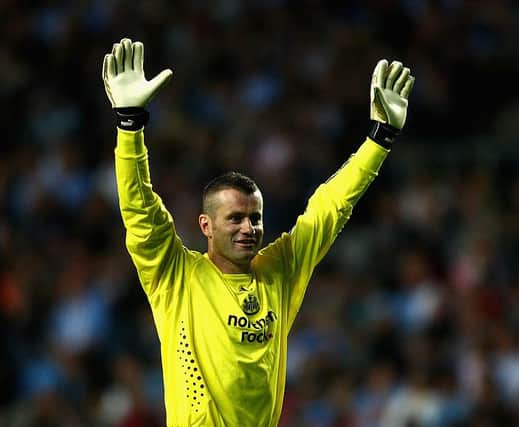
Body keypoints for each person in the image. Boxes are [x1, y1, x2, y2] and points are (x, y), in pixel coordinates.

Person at [102, 37, 414, 427]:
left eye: (255, 218)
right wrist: (129, 126)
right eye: (235, 218)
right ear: (206, 226)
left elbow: (330, 207)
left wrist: (379, 140)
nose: (249, 228)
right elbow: (139, 209)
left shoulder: (279, 271)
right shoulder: (176, 276)